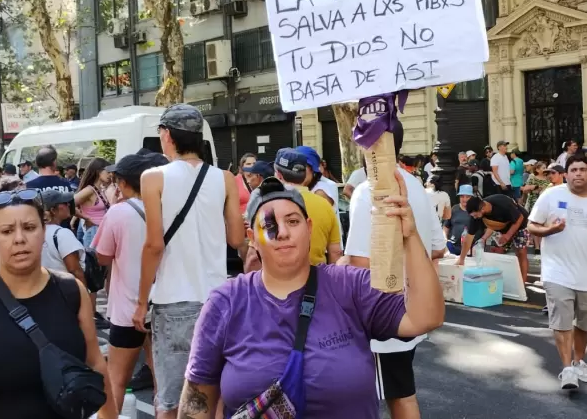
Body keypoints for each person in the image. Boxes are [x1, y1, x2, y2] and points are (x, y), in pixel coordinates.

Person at [178, 175, 443, 419]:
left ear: (309, 228)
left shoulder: (348, 286)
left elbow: (425, 317)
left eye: (292, 221)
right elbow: (196, 402)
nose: (282, 232)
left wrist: (410, 236)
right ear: (253, 239)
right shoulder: (225, 302)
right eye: (269, 225)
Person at [0, 188, 118, 419]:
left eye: (29, 227)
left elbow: (94, 363)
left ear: (44, 231)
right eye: (6, 230)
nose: (19, 239)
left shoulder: (72, 291)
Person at [135, 104, 244, 419]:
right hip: (219, 300)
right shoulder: (224, 177)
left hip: (174, 302)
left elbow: (154, 245)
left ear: (166, 135)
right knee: (216, 397)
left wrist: (141, 301)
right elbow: (237, 238)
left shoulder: (153, 178)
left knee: (171, 401)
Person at [342, 122, 444, 419]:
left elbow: (359, 265)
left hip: (381, 311)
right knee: (399, 390)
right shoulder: (415, 187)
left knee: (396, 396)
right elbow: (437, 248)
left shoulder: (370, 191)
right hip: (411, 306)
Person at [528, 154, 587, 390]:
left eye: (583, 170)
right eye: (574, 169)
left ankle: (579, 362)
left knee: (585, 323)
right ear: (566, 174)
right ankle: (567, 369)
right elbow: (531, 225)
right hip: (556, 271)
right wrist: (550, 229)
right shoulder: (551, 195)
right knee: (562, 320)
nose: (578, 174)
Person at [94, 152, 168, 407]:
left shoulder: (118, 212)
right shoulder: (166, 208)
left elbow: (102, 257)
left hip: (129, 309)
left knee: (116, 378)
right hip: (165, 302)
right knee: (163, 379)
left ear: (124, 183)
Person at [269, 148, 342, 265]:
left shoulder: (268, 204)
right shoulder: (324, 205)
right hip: (317, 277)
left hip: (279, 278)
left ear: (278, 175)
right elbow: (336, 252)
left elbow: (254, 257)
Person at [459, 193, 530, 284]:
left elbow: (520, 218)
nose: (474, 218)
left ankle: (522, 283)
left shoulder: (502, 203)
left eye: (475, 215)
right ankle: (503, 281)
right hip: (502, 227)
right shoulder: (476, 215)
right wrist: (461, 259)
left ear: (482, 209)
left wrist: (508, 235)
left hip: (520, 223)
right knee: (497, 251)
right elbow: (468, 237)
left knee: (521, 252)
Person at [40, 190, 87, 284]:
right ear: (53, 210)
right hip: (65, 290)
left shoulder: (36, 233)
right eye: (64, 203)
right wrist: (84, 294)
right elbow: (75, 270)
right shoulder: (62, 234)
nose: (68, 205)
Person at [74, 158, 112, 249]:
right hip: (93, 232)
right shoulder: (89, 190)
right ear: (99, 172)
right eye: (107, 172)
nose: (110, 175)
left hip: (99, 231)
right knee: (93, 261)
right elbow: (68, 204)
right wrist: (86, 217)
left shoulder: (98, 189)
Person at [444, 185, 474, 255]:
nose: (465, 199)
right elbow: (446, 226)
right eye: (462, 196)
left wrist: (482, 240)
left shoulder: (475, 210)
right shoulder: (454, 209)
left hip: (470, 248)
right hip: (452, 246)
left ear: (471, 197)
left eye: (467, 197)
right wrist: (445, 239)